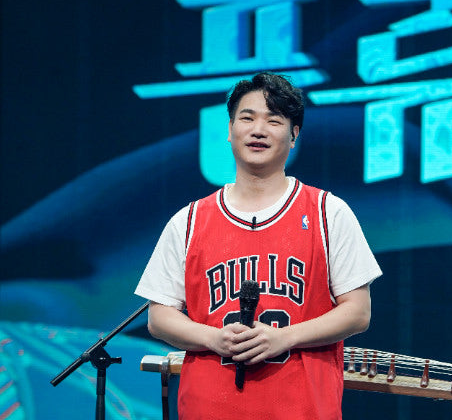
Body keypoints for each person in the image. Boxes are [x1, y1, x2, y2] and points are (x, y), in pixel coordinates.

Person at [135, 72, 382, 420]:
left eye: (274, 120)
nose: (258, 130)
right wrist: (213, 338)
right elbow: (159, 318)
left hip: (302, 409)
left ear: (294, 135)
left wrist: (284, 338)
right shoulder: (188, 221)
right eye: (247, 118)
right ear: (230, 130)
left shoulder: (328, 213)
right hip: (209, 408)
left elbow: (357, 312)